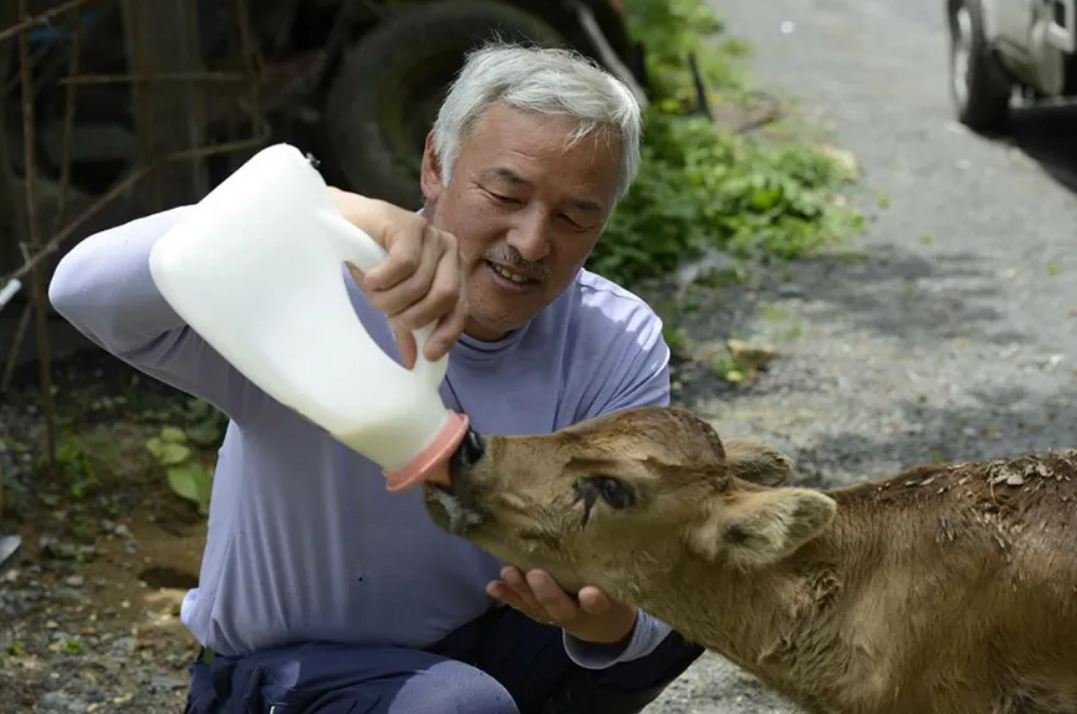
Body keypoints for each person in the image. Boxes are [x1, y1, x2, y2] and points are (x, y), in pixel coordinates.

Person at [48, 43, 704, 713]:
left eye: (573, 216)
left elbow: (650, 554)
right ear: (433, 165)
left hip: (475, 642)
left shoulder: (614, 339)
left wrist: (610, 624)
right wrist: (316, 212)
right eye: (504, 193)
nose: (531, 242)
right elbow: (79, 288)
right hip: (287, 676)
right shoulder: (311, 283)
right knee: (457, 705)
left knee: (710, 566)